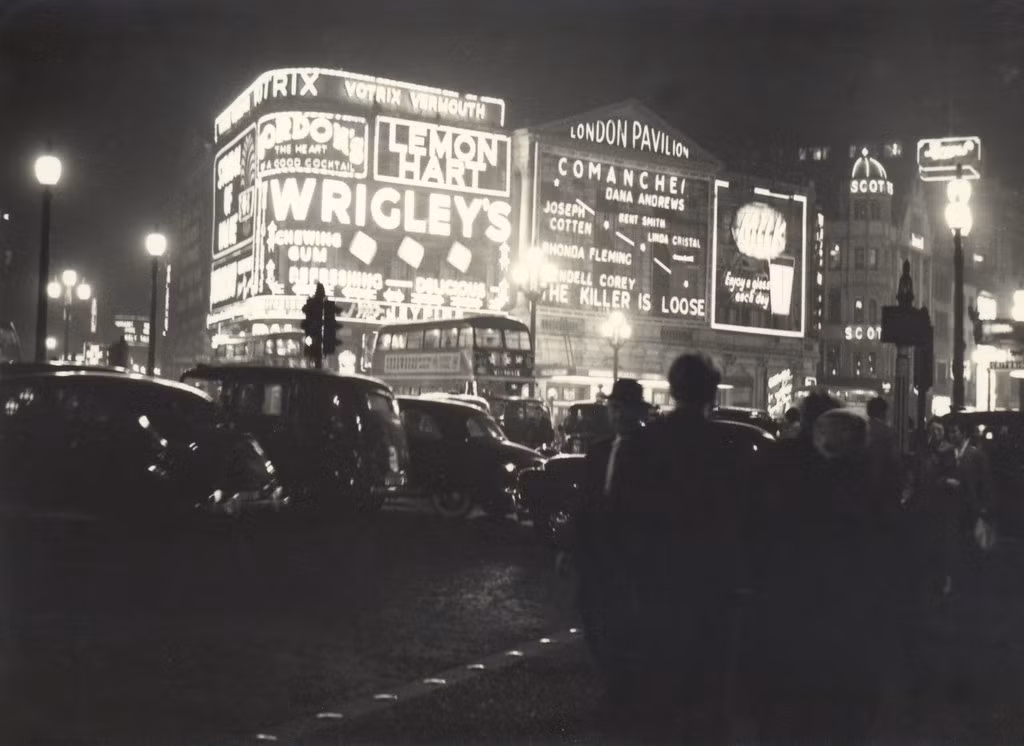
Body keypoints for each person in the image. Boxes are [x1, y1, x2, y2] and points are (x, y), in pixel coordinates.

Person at [611, 353, 742, 740]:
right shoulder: (725, 446)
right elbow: (738, 518)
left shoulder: (644, 441)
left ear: (671, 390)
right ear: (711, 395)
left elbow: (619, 512)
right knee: (704, 683)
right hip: (707, 582)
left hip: (655, 577)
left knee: (658, 676)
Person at [572, 378, 650, 718]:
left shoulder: (650, 451)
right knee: (593, 618)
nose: (617, 415)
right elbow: (585, 503)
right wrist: (568, 548)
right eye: (613, 408)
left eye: (623, 409)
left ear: (636, 412)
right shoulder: (600, 449)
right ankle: (616, 687)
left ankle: (621, 695)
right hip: (597, 554)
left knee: (623, 628)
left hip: (629, 556)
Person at [944, 420, 995, 595]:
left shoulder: (976, 455)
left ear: (963, 433)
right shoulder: (950, 453)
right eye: (949, 432)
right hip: (955, 508)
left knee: (971, 545)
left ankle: (972, 584)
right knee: (958, 545)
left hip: (971, 507)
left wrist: (984, 507)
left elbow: (985, 482)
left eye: (954, 431)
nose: (951, 435)